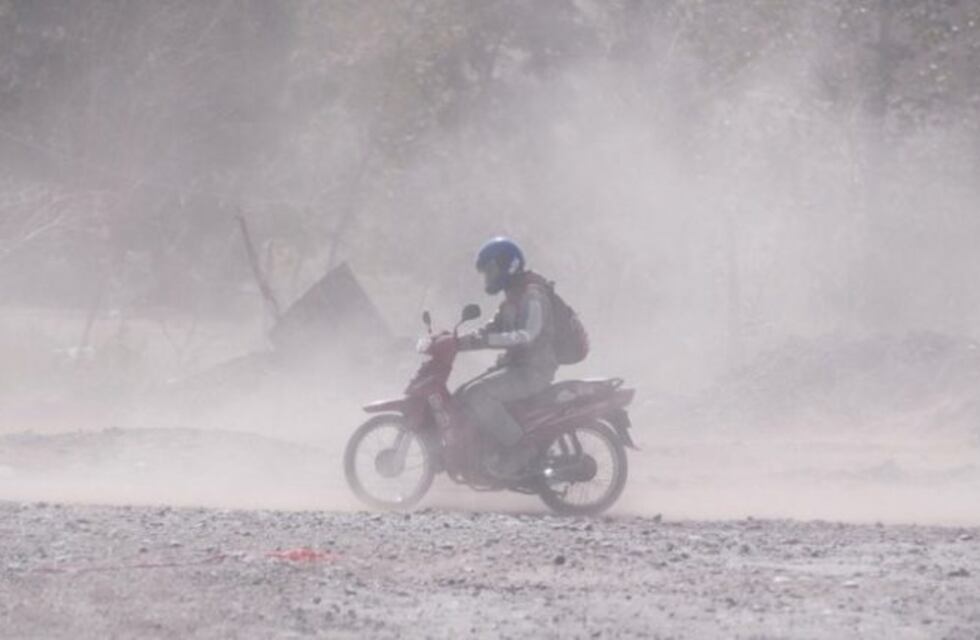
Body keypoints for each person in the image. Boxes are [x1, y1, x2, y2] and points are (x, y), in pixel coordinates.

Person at [457, 237, 559, 480]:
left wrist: (488, 342)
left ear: (508, 265)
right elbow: (490, 330)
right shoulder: (512, 297)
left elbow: (527, 336)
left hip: (535, 371)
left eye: (491, 270)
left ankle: (520, 448)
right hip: (517, 368)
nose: (488, 277)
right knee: (463, 393)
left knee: (478, 394)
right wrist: (457, 341)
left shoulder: (532, 296)